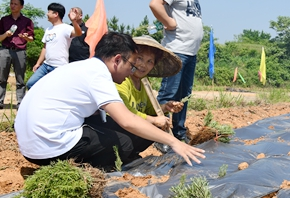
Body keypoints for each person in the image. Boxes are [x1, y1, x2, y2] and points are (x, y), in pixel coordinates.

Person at [14, 32, 205, 171]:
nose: (132, 70)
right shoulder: (99, 75)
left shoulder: (83, 67)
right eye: (131, 65)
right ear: (117, 60)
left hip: (30, 146)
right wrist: (174, 142)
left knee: (114, 132)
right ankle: (85, 169)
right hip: (48, 148)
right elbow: (127, 120)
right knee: (123, 144)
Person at [86, 35, 184, 156]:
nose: (143, 65)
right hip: (112, 124)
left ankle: (130, 152)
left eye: (150, 61)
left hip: (128, 125)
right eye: (140, 59)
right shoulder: (122, 80)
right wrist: (153, 120)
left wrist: (165, 108)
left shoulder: (144, 83)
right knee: (146, 128)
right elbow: (125, 112)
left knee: (159, 124)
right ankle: (120, 153)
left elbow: (148, 109)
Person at [149, 0, 209, 142]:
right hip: (176, 50)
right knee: (169, 94)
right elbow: (155, 3)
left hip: (191, 52)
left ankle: (179, 132)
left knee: (184, 96)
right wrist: (168, 21)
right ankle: (160, 135)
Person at [26, 3, 82, 89]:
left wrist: (74, 21)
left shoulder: (66, 28)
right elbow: (45, 47)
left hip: (59, 66)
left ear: (56, 14)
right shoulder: (48, 29)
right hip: (46, 65)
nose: (47, 14)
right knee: (31, 83)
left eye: (49, 12)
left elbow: (78, 33)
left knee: (55, 88)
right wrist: (38, 63)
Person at [0, 0, 34, 109]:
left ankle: (20, 103)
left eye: (15, 4)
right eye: (11, 3)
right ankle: (0, 102)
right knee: (1, 78)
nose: (12, 6)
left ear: (21, 6)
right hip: (5, 50)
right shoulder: (4, 20)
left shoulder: (27, 21)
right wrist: (6, 34)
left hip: (20, 51)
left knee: (20, 79)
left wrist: (25, 37)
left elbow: (31, 38)